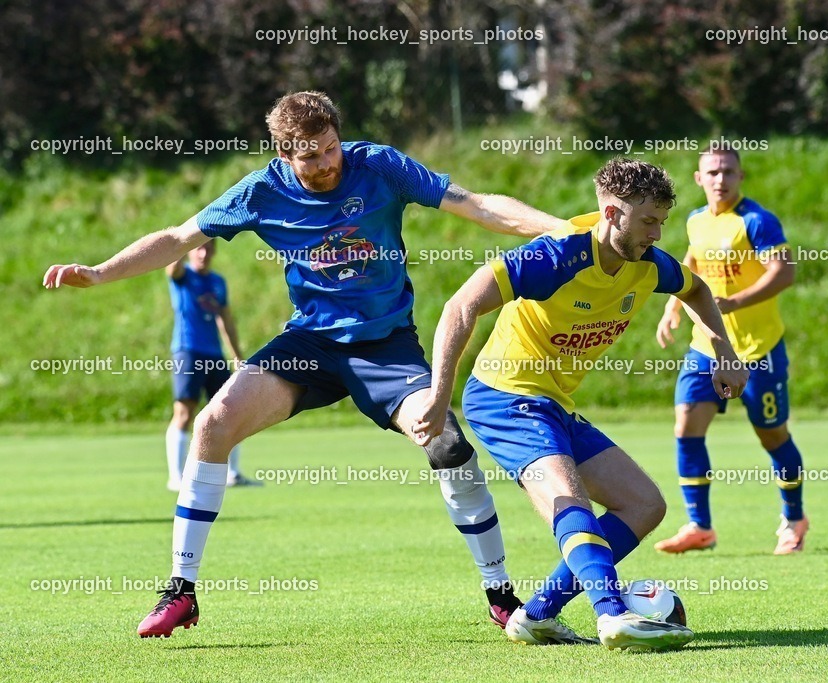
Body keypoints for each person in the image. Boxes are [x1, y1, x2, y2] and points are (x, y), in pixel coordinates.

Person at [43, 90, 566, 638]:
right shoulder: (261, 191)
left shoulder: (380, 167)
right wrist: (101, 273)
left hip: (384, 346)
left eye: (330, 148)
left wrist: (557, 227)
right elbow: (177, 237)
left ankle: (499, 592)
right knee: (212, 424)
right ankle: (181, 590)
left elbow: (476, 204)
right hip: (309, 345)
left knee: (449, 446)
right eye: (309, 157)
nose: (326, 164)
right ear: (284, 156)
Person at [412, 158, 747, 651]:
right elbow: (460, 306)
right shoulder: (556, 257)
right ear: (612, 213)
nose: (657, 233)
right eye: (648, 221)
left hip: (553, 402)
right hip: (504, 395)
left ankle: (537, 615)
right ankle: (611, 614)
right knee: (570, 500)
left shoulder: (649, 266)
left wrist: (724, 351)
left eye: (662, 221)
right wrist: (440, 396)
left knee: (643, 504)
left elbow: (697, 290)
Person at [653, 144, 809, 556]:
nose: (720, 179)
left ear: (740, 177)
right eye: (713, 172)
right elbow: (694, 261)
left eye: (728, 172)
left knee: (772, 435)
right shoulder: (695, 220)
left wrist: (735, 303)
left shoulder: (757, 221)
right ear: (698, 179)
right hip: (706, 347)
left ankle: (794, 519)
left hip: (758, 350)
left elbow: (785, 272)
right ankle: (700, 526)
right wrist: (672, 303)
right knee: (686, 424)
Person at [165, 241, 259, 491]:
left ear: (215, 250)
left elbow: (225, 320)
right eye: (199, 248)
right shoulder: (183, 275)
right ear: (191, 250)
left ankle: (233, 474)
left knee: (230, 410)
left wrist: (237, 356)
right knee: (184, 412)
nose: (203, 253)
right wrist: (185, 239)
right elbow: (171, 267)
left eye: (208, 248)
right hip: (188, 351)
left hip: (214, 354)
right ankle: (176, 477)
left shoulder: (218, 282)